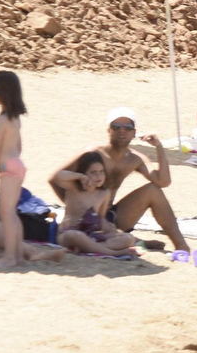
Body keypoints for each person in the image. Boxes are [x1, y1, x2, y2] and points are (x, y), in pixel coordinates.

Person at [50, 107, 188, 252]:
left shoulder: (135, 159)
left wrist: (159, 147)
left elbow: (163, 181)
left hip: (110, 217)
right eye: (116, 127)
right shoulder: (93, 154)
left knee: (153, 191)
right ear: (109, 130)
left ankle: (181, 245)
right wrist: (79, 206)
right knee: (83, 236)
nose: (122, 131)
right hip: (83, 219)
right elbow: (54, 179)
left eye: (127, 127)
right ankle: (131, 243)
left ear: (134, 133)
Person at [51, 151, 139, 255]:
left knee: (128, 238)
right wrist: (79, 176)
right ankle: (113, 253)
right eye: (93, 172)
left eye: (101, 172)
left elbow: (100, 217)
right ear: (84, 173)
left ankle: (91, 247)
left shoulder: (104, 193)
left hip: (91, 234)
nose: (99, 176)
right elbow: (57, 176)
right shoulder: (73, 187)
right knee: (75, 235)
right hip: (68, 232)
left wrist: (108, 226)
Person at [0, 70, 27, 269]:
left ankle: (8, 257)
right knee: (12, 213)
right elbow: (19, 147)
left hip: (8, 169)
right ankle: (18, 255)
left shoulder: (0, 120)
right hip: (17, 166)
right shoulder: (15, 118)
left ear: (1, 92)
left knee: (6, 214)